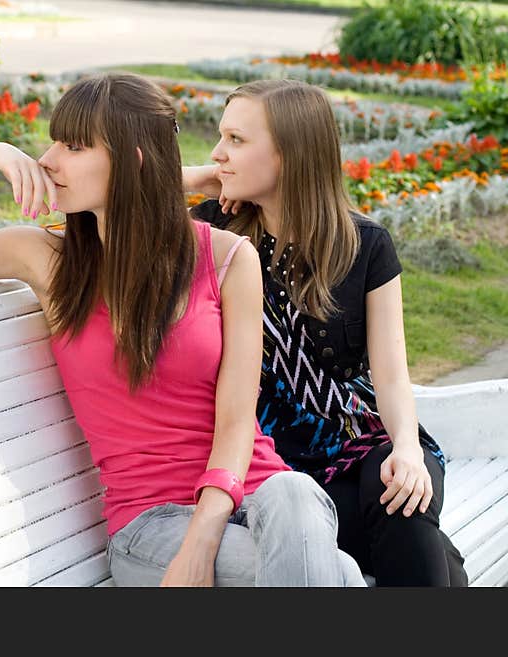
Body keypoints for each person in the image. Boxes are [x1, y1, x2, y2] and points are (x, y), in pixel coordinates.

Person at [0, 72, 364, 587]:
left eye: (74, 146)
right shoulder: (49, 260)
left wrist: (202, 543)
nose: (49, 160)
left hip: (256, 496)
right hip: (152, 521)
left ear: (132, 162)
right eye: (54, 143)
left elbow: (237, 422)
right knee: (338, 574)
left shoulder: (228, 259)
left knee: (295, 492)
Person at [185, 78, 468, 586]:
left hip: (368, 439)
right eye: (221, 139)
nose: (218, 151)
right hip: (281, 473)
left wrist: (406, 446)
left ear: (290, 155)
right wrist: (204, 178)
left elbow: (392, 372)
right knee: (424, 550)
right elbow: (111, 209)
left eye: (236, 140)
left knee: (401, 491)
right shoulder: (213, 233)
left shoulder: (366, 245)